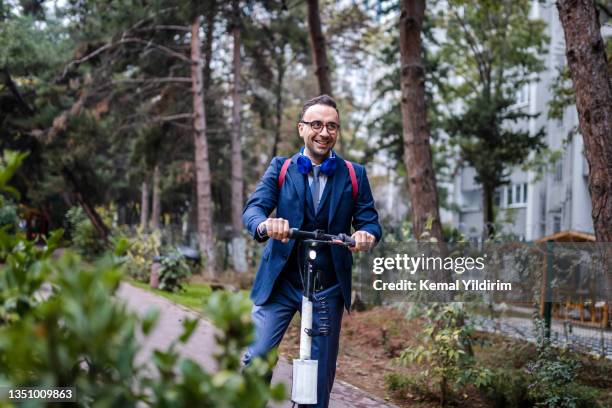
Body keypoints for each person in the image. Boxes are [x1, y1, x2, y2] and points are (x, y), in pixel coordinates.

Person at [242, 94, 382, 407]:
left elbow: (371, 223)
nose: (324, 132)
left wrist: (364, 235)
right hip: (280, 282)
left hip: (327, 287)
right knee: (258, 356)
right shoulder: (281, 168)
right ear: (301, 129)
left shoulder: (354, 174)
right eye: (316, 124)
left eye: (332, 126)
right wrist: (266, 225)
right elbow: (253, 210)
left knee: (319, 381)